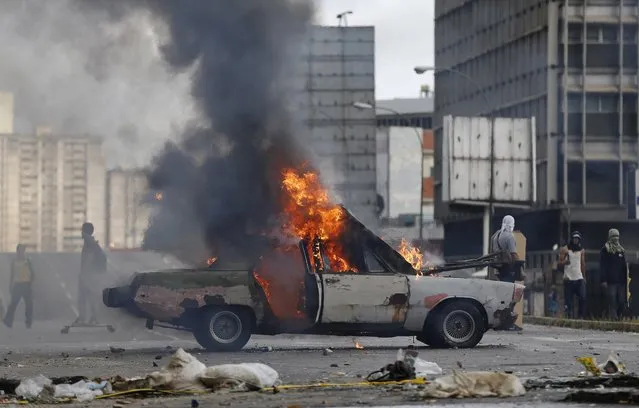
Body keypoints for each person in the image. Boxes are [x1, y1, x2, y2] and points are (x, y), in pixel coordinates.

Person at [490, 215, 523, 331]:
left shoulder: (495, 235)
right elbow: (514, 255)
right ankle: (507, 324)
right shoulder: (509, 237)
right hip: (508, 269)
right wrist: (520, 268)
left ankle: (499, 323)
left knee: (501, 297)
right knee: (509, 297)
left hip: (498, 268)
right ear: (512, 224)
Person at [75, 222, 107, 325]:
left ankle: (83, 318)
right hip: (93, 274)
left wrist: (83, 273)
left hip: (88, 274)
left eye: (82, 230)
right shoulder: (92, 242)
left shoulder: (89, 242)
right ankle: (93, 317)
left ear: (85, 231)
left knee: (83, 296)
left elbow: (89, 258)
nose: (81, 232)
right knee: (90, 296)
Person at [3, 244, 35, 328]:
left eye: (23, 250)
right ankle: (8, 321)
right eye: (20, 250)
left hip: (26, 284)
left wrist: (31, 283)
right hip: (17, 284)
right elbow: (12, 274)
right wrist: (10, 286)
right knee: (13, 304)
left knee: (29, 304)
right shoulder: (14, 262)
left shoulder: (27, 261)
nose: (21, 252)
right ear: (17, 251)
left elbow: (32, 273)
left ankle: (28, 322)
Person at [599, 228, 628, 320]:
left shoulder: (621, 250)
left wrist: (626, 279)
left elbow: (624, 266)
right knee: (612, 300)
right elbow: (602, 265)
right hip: (610, 281)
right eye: (614, 236)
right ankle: (614, 318)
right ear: (610, 237)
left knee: (621, 301)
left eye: (617, 236)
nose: (616, 238)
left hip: (621, 281)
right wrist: (603, 280)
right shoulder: (605, 250)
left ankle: (619, 316)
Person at [558, 231, 586, 319]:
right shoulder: (565, 249)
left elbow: (582, 264)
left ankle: (581, 316)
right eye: (574, 238)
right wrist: (565, 262)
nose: (575, 240)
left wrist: (584, 276)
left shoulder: (581, 250)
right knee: (568, 300)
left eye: (577, 239)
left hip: (578, 276)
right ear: (571, 239)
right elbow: (559, 263)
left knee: (582, 297)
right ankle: (568, 316)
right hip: (568, 277)